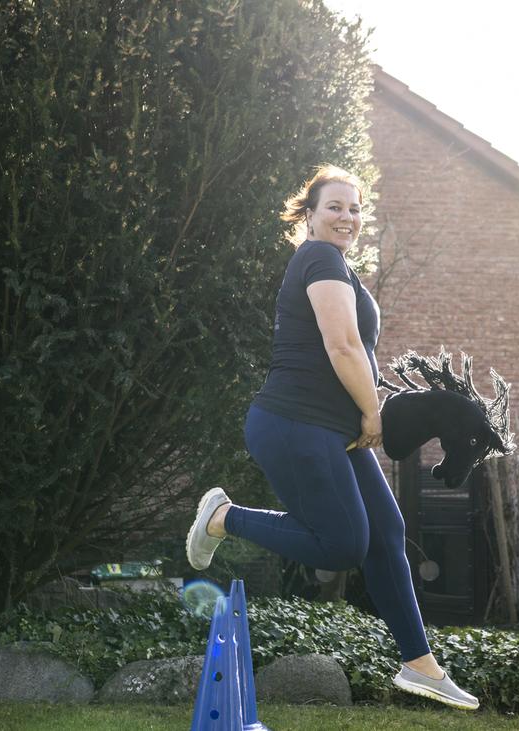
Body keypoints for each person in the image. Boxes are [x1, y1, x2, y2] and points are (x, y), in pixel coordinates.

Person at [185, 165, 479, 711]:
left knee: (386, 532)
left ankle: (420, 666)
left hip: (330, 428)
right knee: (344, 545)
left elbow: (355, 352)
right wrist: (373, 416)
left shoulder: (337, 266)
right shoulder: (319, 257)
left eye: (355, 208)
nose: (347, 217)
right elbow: (342, 344)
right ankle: (224, 516)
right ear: (311, 215)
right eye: (335, 207)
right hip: (294, 422)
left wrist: (383, 407)